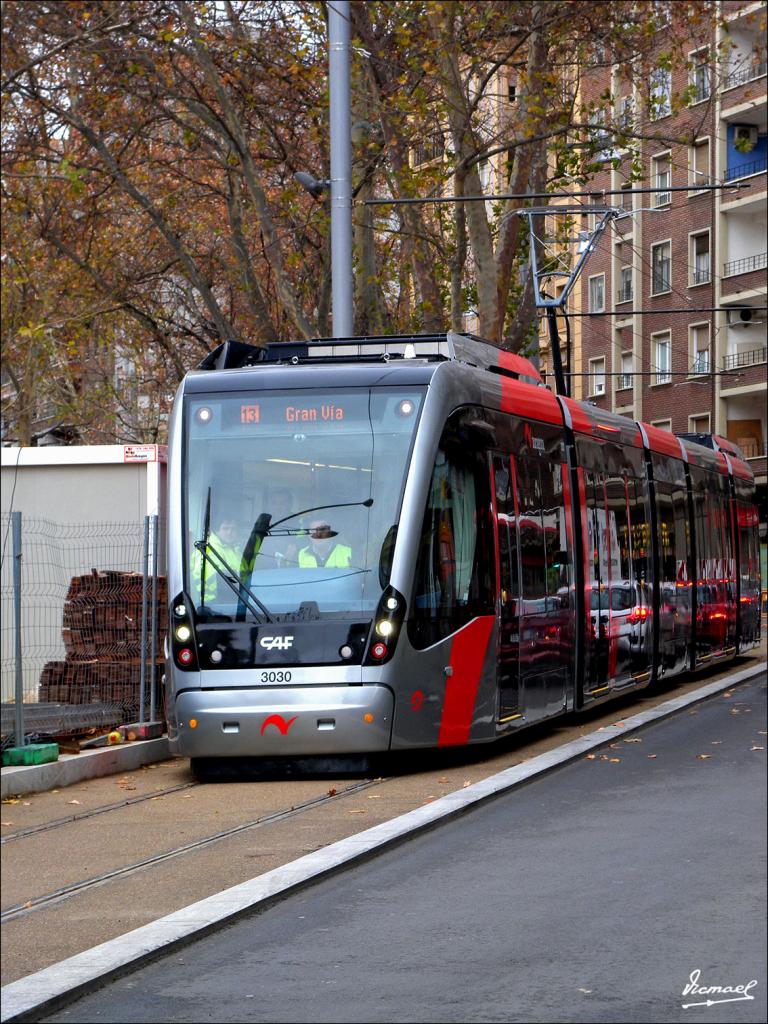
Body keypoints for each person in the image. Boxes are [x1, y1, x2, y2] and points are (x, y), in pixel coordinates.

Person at [191, 516, 256, 603]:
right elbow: (220, 580)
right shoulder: (209, 549)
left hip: (236, 599)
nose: (229, 532)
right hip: (214, 604)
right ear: (217, 531)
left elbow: (245, 575)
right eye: (225, 529)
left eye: (233, 529)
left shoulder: (235, 549)